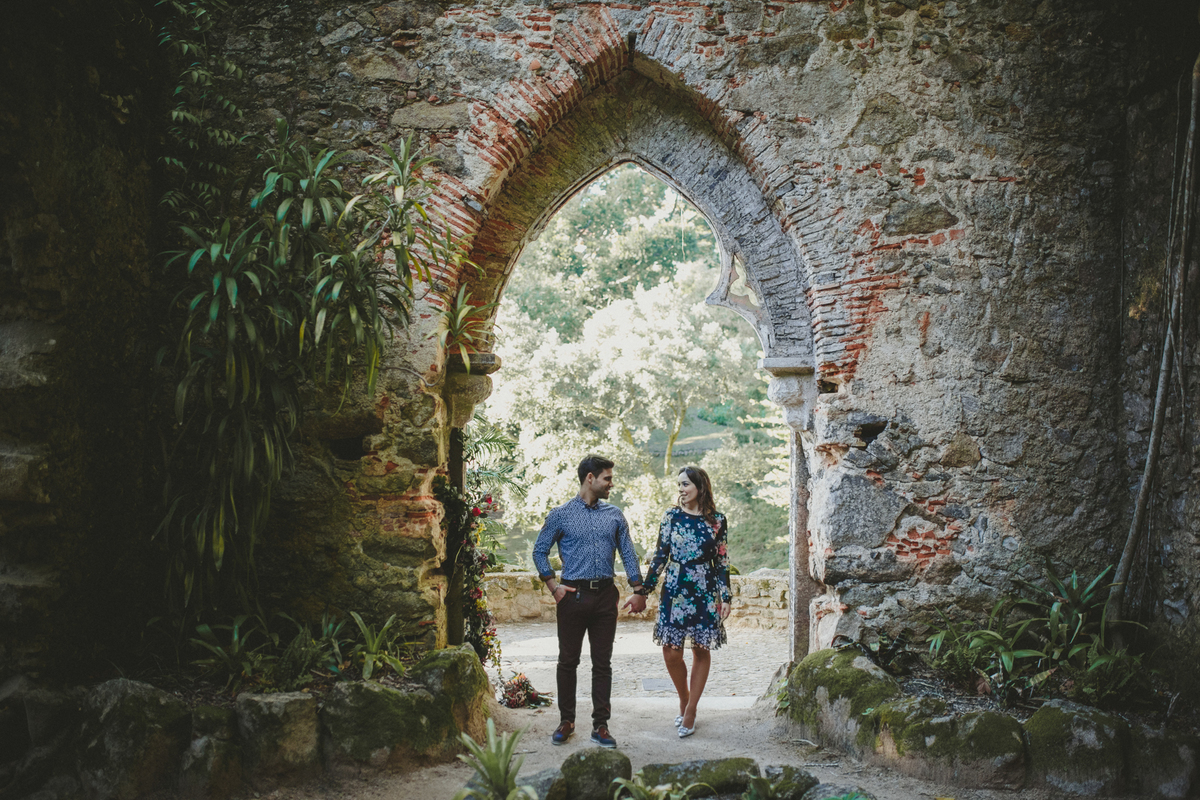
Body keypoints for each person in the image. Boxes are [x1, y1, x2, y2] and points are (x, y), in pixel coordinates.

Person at [532, 454, 647, 749]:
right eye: (607, 478)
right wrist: (553, 586)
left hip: (605, 597)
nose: (611, 484)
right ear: (590, 478)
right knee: (568, 662)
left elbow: (629, 553)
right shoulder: (560, 514)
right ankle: (566, 721)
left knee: (602, 664)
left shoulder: (615, 515)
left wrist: (639, 589)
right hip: (572, 597)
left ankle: (601, 726)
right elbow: (539, 550)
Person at [636, 465, 731, 738]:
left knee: (701, 650)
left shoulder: (717, 521)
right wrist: (644, 589)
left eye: (686, 484)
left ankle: (691, 710)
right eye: (679, 484)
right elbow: (660, 556)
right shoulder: (671, 517)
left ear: (700, 487)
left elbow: (722, 560)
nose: (681, 489)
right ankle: (684, 698)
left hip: (704, 589)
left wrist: (725, 596)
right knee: (671, 652)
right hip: (675, 589)